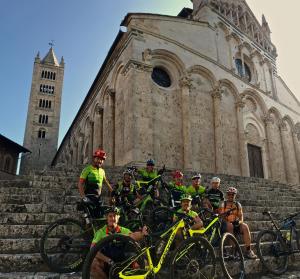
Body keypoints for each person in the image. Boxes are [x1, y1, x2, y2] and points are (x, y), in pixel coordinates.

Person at [90, 206, 148, 279]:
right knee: (93, 264)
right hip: (107, 262)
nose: (113, 218)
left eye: (115, 216)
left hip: (123, 263)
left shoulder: (124, 230)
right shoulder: (100, 232)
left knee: (144, 263)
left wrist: (142, 233)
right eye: (110, 216)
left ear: (118, 217)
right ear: (107, 218)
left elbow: (133, 236)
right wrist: (108, 260)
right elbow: (92, 250)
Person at [219, 187, 257, 259]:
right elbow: (221, 216)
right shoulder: (223, 204)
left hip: (235, 223)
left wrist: (240, 222)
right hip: (225, 223)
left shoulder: (238, 204)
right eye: (229, 194)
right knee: (230, 226)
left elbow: (241, 216)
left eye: (232, 194)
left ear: (235, 195)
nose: (231, 196)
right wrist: (227, 221)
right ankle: (234, 250)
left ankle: (248, 250)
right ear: (227, 195)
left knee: (245, 226)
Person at [77, 149, 113, 216]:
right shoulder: (87, 169)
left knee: (100, 218)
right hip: (89, 198)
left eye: (102, 160)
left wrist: (112, 191)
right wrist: (83, 197)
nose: (100, 161)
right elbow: (80, 184)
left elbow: (105, 181)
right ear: (94, 158)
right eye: (98, 159)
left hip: (98, 198)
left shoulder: (102, 171)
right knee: (89, 220)